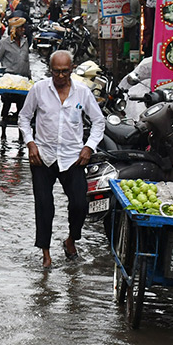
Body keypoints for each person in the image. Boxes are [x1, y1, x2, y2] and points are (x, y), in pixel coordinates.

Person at [18, 49, 104, 269]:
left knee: (79, 203)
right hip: (43, 157)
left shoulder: (83, 93)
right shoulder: (38, 90)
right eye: (56, 72)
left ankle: (70, 240)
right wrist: (30, 143)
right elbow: (24, 118)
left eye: (65, 71)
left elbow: (98, 122)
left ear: (72, 69)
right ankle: (46, 254)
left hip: (72, 157)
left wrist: (88, 147)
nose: (60, 76)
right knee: (44, 205)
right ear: (50, 70)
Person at [0, 16, 32, 125]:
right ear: (14, 29)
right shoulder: (4, 43)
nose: (23, 30)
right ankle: (4, 123)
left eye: (23, 27)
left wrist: (30, 77)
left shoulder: (25, 42)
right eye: (21, 28)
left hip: (23, 80)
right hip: (9, 80)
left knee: (23, 104)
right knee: (7, 101)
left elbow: (26, 62)